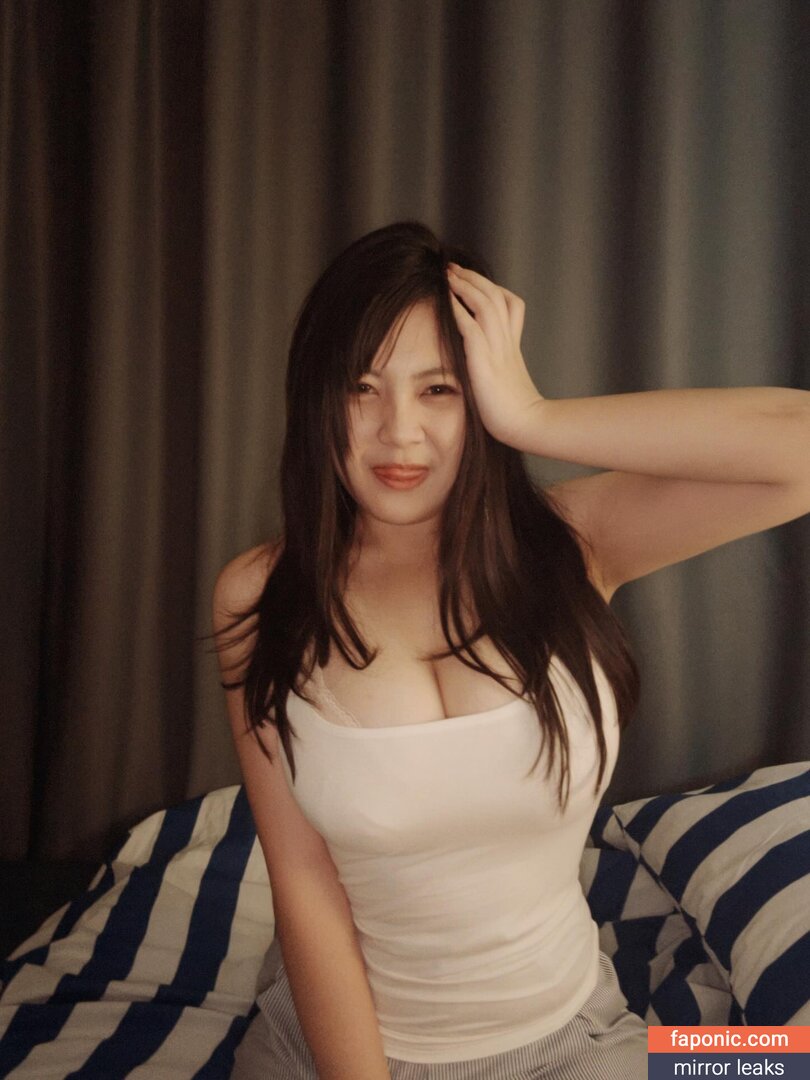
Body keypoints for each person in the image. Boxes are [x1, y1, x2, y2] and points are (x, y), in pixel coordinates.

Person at [213, 221, 810, 1079]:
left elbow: (799, 443)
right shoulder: (260, 595)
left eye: (438, 390)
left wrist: (535, 417)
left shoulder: (575, 541)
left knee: (781, 1063)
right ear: (317, 402)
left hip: (578, 1042)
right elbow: (303, 887)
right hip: (342, 1053)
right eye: (361, 389)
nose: (399, 434)